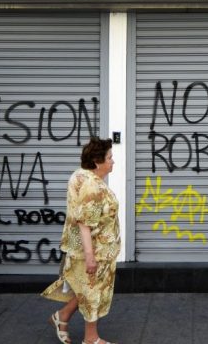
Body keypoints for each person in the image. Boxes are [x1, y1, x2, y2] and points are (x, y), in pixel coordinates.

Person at [42, 137, 120, 344]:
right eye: (109, 158)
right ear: (97, 161)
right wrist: (90, 257)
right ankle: (91, 339)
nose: (113, 161)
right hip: (93, 251)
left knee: (86, 290)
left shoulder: (80, 175)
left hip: (82, 247)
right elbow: (85, 224)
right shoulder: (92, 187)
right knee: (92, 293)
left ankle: (62, 317)